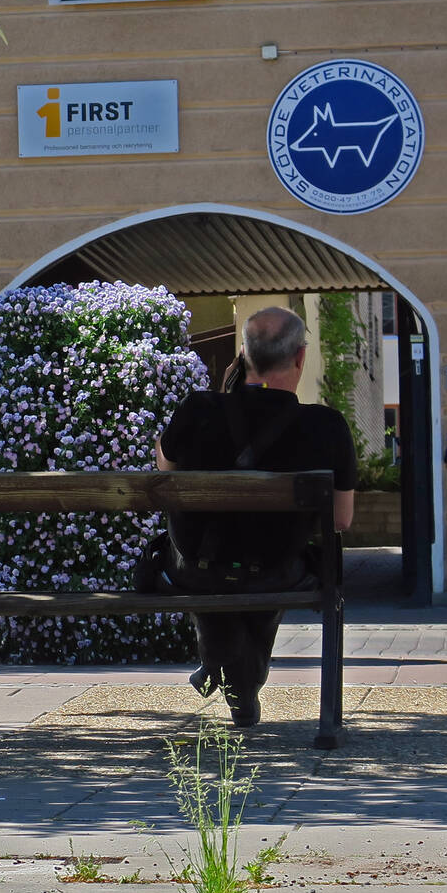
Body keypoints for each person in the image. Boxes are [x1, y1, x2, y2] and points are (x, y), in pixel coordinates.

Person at [155, 307, 356, 727]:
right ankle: (239, 680)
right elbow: (341, 519)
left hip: (198, 569)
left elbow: (165, 471)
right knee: (267, 566)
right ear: (300, 357)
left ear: (243, 354)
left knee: (216, 572)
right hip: (275, 570)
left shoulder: (197, 410)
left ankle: (225, 665)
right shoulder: (327, 426)